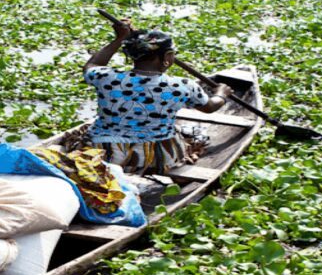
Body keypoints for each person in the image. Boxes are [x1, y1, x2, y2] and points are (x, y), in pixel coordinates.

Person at [81, 16, 232, 174]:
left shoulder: (106, 77)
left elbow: (92, 65)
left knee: (86, 133)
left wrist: (119, 39)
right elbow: (210, 107)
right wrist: (222, 94)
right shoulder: (183, 86)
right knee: (193, 134)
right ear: (167, 57)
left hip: (106, 153)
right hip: (156, 157)